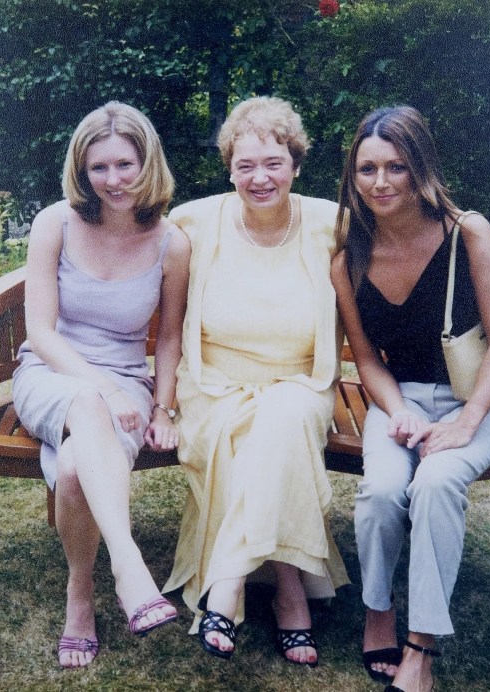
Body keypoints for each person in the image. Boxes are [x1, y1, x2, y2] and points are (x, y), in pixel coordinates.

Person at [330, 105, 490, 692]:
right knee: (383, 490)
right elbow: (365, 359)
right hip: (402, 400)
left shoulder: (469, 233)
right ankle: (378, 609)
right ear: (353, 177)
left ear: (420, 168)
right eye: (367, 170)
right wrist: (400, 410)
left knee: (438, 482)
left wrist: (466, 423)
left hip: (480, 402)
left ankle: (421, 647)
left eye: (396, 167)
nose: (381, 183)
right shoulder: (349, 259)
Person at [162, 96, 350, 667]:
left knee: (281, 420)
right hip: (214, 384)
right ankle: (292, 596)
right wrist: (163, 404)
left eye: (273, 162)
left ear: (295, 164)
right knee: (267, 435)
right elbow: (169, 327)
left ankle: (227, 584)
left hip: (301, 380)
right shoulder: (193, 223)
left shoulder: (331, 223)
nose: (259, 177)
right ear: (229, 169)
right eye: (245, 166)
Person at [12, 102, 190, 669]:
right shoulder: (55, 223)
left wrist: (161, 408)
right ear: (81, 171)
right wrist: (103, 390)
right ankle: (129, 568)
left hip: (127, 384)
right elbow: (40, 331)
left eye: (125, 164)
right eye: (98, 168)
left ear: (148, 163)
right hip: (50, 373)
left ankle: (80, 596)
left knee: (71, 468)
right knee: (87, 401)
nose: (112, 180)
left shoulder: (172, 243)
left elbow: (166, 339)